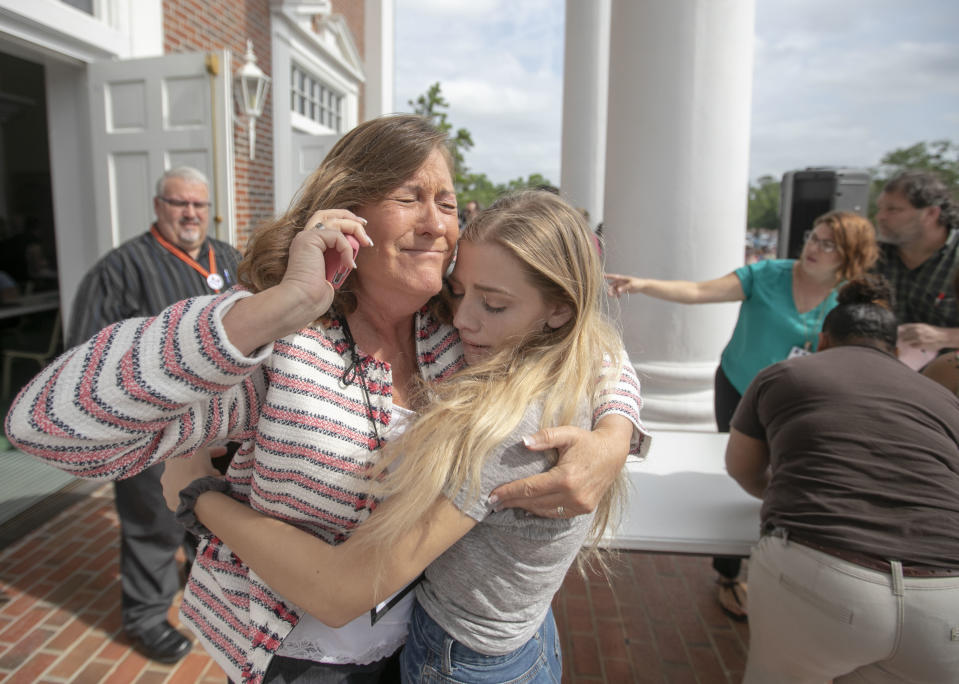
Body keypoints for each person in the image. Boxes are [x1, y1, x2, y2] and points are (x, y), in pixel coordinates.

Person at [5, 115, 645, 683]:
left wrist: (615, 434)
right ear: (348, 213)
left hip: (424, 647)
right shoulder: (283, 350)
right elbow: (45, 427)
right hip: (300, 658)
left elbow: (586, 342)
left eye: (448, 203)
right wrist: (273, 309)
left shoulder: (459, 328)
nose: (438, 224)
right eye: (410, 198)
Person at [161, 189, 646, 683]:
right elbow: (601, 343)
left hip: (464, 660)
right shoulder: (520, 346)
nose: (461, 319)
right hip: (500, 639)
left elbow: (342, 589)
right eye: (456, 292)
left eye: (493, 305)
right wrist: (616, 427)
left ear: (560, 310)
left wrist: (199, 496)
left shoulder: (511, 425)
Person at [606, 210, 878, 620]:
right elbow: (699, 291)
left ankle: (786, 559)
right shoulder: (768, 274)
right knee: (740, 472)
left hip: (801, 401)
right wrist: (643, 284)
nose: (813, 248)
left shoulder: (850, 297)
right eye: (813, 237)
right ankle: (729, 574)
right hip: (739, 389)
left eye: (828, 243)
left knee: (791, 474)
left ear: (849, 255)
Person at [725, 275, 959, 683]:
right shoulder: (942, 398)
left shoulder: (785, 374)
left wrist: (783, 491)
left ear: (824, 339)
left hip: (822, 575)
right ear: (894, 349)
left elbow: (741, 467)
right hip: (946, 598)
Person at [63, 166, 242, 664]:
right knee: (152, 525)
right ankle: (145, 616)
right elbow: (86, 356)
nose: (190, 213)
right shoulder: (120, 269)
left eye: (199, 205)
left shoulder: (226, 257)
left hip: (221, 426)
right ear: (158, 206)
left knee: (205, 510)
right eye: (178, 203)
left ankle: (195, 577)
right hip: (153, 431)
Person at [875, 169, 959, 362]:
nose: (881, 217)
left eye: (893, 209)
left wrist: (946, 337)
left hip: (948, 381)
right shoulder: (875, 255)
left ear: (930, 213)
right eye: (880, 208)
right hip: (886, 374)